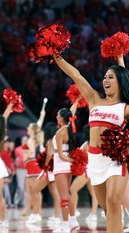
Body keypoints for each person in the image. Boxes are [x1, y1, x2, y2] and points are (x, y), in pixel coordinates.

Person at [53, 54, 129, 233]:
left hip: (115, 160)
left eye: (111, 77)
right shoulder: (95, 100)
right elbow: (76, 75)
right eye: (104, 77)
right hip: (94, 162)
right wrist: (57, 57)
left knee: (113, 201)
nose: (105, 80)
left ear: (121, 81)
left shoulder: (125, 108)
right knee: (107, 207)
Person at [52, 104, 80, 233]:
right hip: (67, 167)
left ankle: (64, 227)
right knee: (67, 195)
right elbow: (71, 111)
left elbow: (61, 155)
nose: (57, 117)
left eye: (58, 116)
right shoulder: (70, 129)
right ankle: (73, 222)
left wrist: (71, 160)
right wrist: (77, 101)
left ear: (62, 118)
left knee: (63, 197)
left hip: (61, 165)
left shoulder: (59, 132)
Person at [30, 122, 61, 227]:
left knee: (34, 190)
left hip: (49, 170)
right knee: (55, 194)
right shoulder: (57, 139)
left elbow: (50, 153)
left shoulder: (49, 141)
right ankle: (56, 217)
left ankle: (35, 214)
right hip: (54, 169)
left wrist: (46, 164)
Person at [69, 125, 98, 227]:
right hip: (91, 171)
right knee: (94, 194)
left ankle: (74, 211)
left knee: (72, 189)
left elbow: (80, 158)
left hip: (86, 171)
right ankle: (93, 215)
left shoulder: (86, 145)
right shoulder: (95, 143)